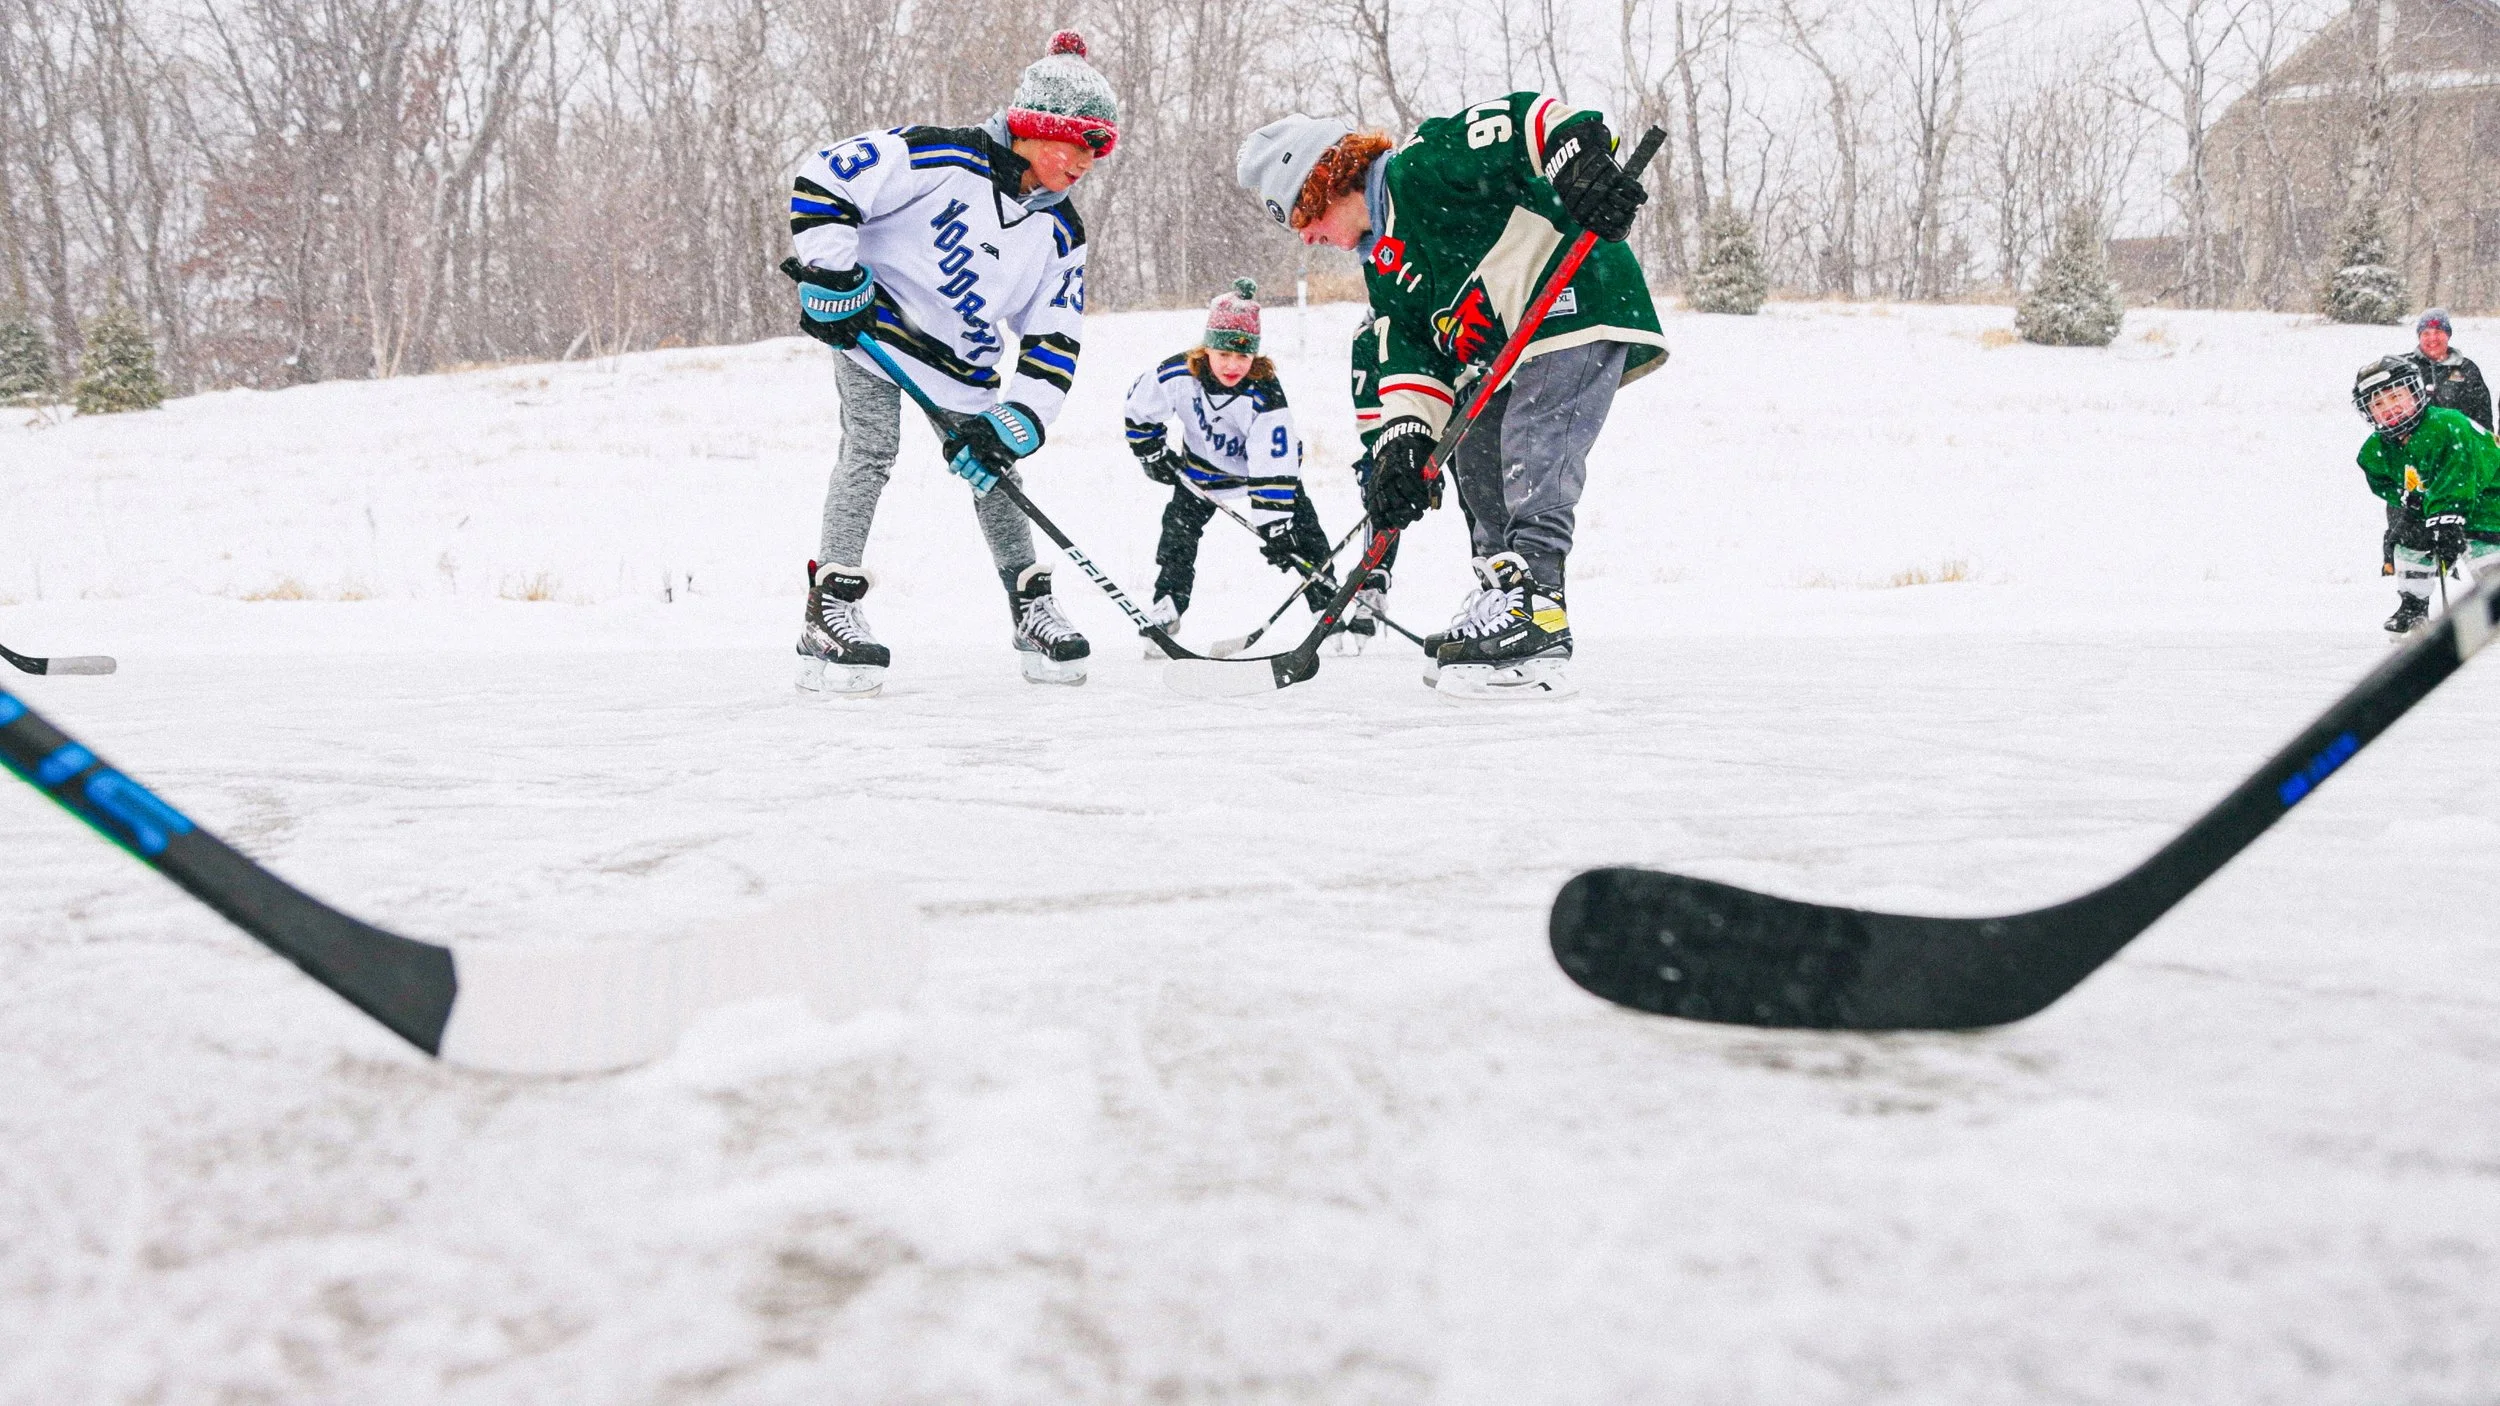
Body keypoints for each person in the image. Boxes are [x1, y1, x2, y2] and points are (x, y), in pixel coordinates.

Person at [1237, 94, 1667, 698]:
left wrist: (1580, 159)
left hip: (1575, 298)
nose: (1305, 238)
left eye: (1301, 216)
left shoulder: (1422, 167)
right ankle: (1502, 595)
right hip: (1509, 351)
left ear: (1325, 181)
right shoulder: (1384, 265)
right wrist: (1404, 443)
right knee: (1478, 457)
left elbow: (1526, 119)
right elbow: (1413, 353)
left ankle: (1539, 606)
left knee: (1532, 448)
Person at [785, 32, 1115, 696]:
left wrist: (1018, 418)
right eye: (1075, 142)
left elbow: (1054, 334)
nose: (1085, 160)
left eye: (1098, 148)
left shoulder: (1062, 232)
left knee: (996, 472)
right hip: (874, 331)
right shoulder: (938, 155)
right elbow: (824, 178)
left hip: (964, 365)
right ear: (1031, 128)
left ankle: (1031, 606)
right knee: (871, 450)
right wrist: (832, 276)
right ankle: (831, 605)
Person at [1122, 280, 1340, 649]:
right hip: (1201, 473)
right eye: (1223, 354)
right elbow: (1140, 406)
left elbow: (1274, 458)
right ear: (1206, 348)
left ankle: (1327, 603)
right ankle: (1168, 604)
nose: (1232, 365)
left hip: (1262, 474)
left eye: (1242, 356)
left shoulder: (1265, 391)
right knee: (1178, 531)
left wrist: (1275, 520)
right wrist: (1150, 450)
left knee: (1304, 530)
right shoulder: (1178, 374)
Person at [2353, 354, 2500, 636]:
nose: (2389, 408)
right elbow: (2381, 480)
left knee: (2485, 551)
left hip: (2489, 499)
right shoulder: (2375, 449)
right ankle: (2413, 606)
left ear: (2416, 392)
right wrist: (2409, 499)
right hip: (2437, 502)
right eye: (2378, 404)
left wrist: (2447, 518)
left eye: (2396, 396)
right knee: (2410, 539)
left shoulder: (2448, 425)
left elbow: (2460, 472)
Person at [2384, 308, 2493, 574]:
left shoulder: (2466, 369)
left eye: (2439, 332)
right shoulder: (2404, 366)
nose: (2433, 339)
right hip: (2414, 460)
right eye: (2427, 333)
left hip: (2456, 459)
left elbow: (2482, 420)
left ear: (2448, 335)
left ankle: (2470, 572)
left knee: (2458, 522)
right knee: (2411, 526)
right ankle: (2413, 598)